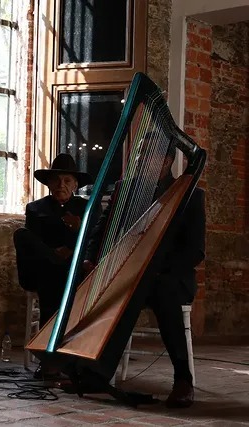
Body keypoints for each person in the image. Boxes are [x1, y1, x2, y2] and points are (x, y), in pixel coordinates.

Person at [83, 142, 205, 408]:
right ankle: (94, 370)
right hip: (130, 275)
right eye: (137, 154)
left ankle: (183, 379)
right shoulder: (125, 190)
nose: (137, 160)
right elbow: (101, 230)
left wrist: (156, 267)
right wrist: (90, 258)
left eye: (144, 155)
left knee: (162, 289)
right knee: (112, 289)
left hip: (171, 277)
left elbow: (195, 252)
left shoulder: (190, 195)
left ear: (166, 161)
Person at [13, 153, 93, 379]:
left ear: (75, 184)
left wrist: (77, 231)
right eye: (56, 180)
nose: (61, 185)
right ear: (48, 183)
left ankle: (53, 360)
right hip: (43, 269)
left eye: (67, 180)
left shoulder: (86, 207)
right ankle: (50, 359)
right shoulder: (35, 208)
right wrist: (54, 252)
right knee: (22, 235)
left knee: (58, 282)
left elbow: (92, 241)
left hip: (73, 271)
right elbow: (35, 243)